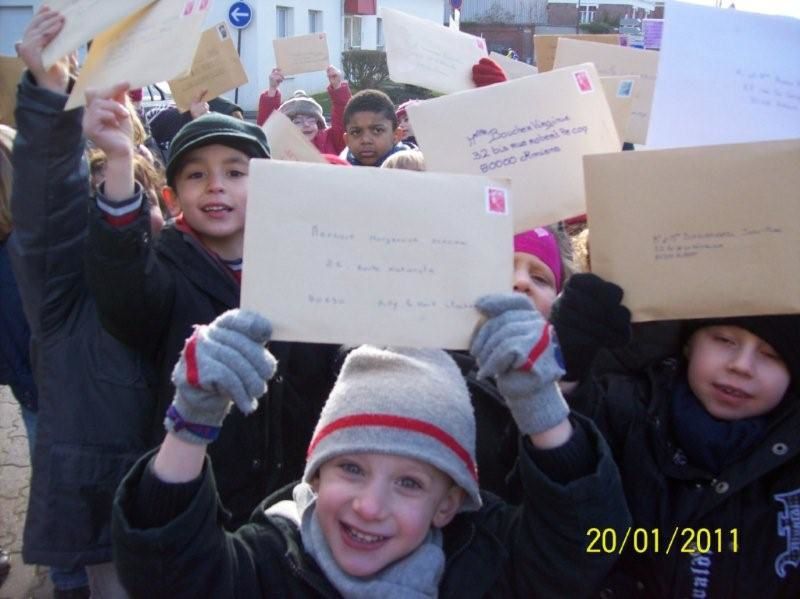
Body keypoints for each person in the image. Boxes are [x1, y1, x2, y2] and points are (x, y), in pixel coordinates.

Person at [111, 305, 630, 598]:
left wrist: (542, 410)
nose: (369, 506)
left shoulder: (486, 566)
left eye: (410, 482)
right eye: (351, 468)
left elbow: (585, 544)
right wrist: (190, 425)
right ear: (313, 476)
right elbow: (168, 577)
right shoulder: (269, 563)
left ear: (448, 505)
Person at [83, 92, 340, 529]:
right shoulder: (164, 267)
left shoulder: (305, 263)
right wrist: (121, 160)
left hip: (300, 488)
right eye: (196, 174)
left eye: (235, 172)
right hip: (205, 490)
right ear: (173, 195)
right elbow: (123, 291)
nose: (215, 185)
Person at [10, 7, 157, 596]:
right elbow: (48, 204)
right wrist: (51, 97)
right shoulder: (63, 298)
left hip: (179, 517)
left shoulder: (175, 275)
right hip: (97, 528)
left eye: (132, 196)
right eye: (98, 197)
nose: (114, 209)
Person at [554, 274, 800, 597]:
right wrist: (564, 377)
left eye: (771, 355)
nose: (742, 366)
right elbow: (549, 474)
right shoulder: (620, 412)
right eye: (724, 339)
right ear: (688, 344)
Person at [256, 66, 351, 156]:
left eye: (311, 120)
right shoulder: (280, 144)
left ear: (319, 123)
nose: (306, 124)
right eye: (297, 121)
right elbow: (267, 131)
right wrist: (272, 89)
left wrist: (337, 85)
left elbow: (342, 117)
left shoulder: (332, 140)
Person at [341, 89, 412, 167]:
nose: (365, 140)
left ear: (396, 135)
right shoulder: (339, 173)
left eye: (377, 130)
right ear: (347, 140)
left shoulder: (417, 170)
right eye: (356, 132)